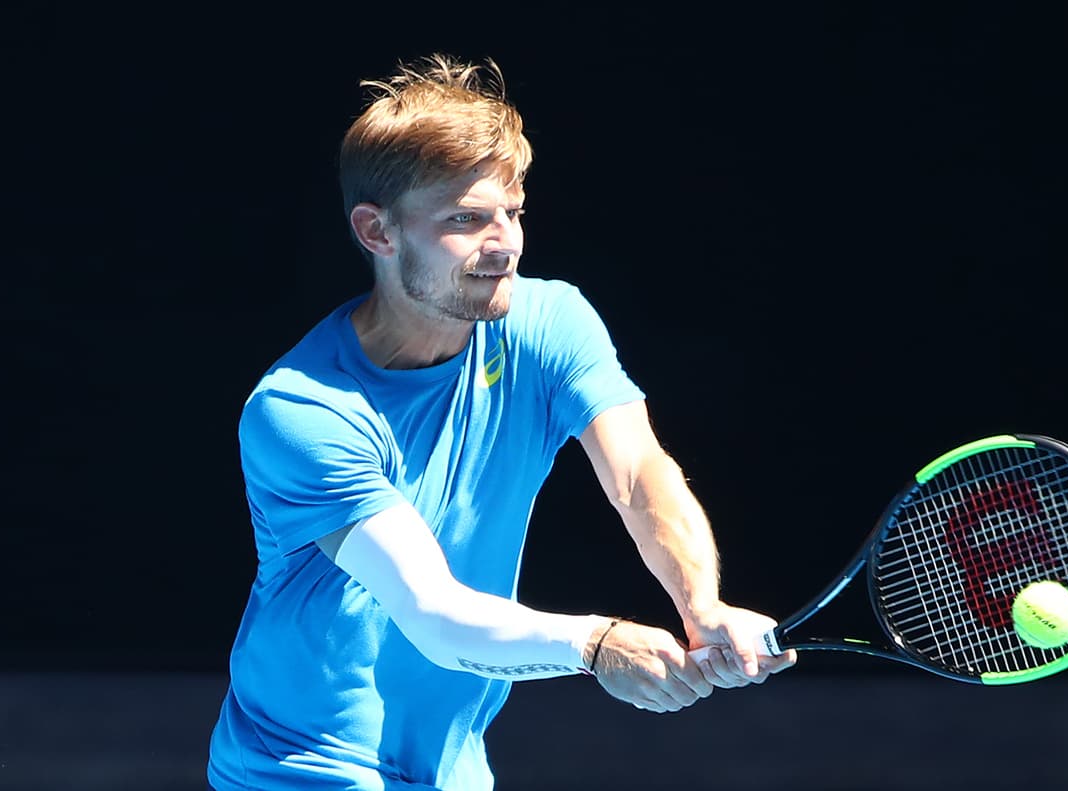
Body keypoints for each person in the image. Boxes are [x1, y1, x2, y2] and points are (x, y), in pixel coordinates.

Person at [206, 52, 796, 790]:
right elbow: (433, 612)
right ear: (377, 232)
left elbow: (639, 475)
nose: (505, 242)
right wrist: (598, 643)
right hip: (300, 767)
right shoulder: (300, 411)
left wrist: (699, 602)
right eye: (466, 219)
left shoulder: (550, 322)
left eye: (512, 213)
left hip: (452, 767)